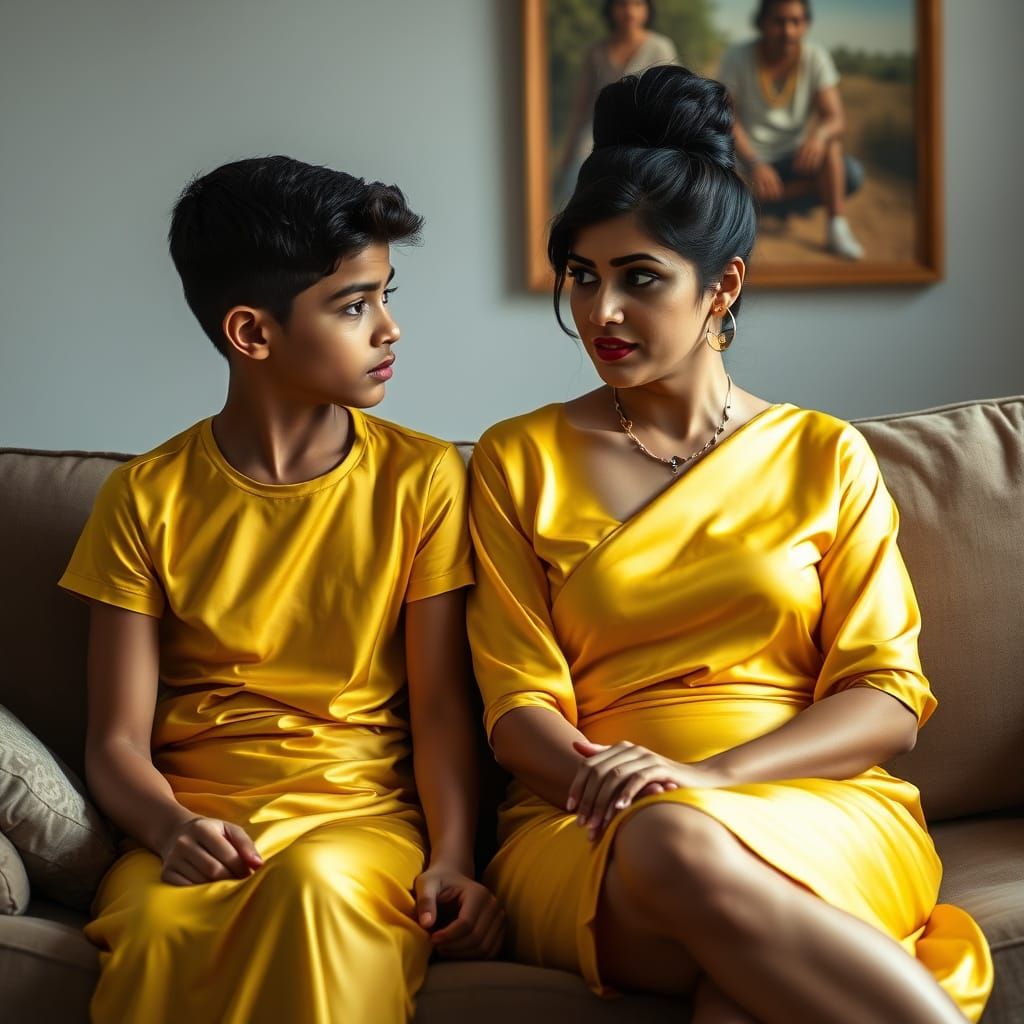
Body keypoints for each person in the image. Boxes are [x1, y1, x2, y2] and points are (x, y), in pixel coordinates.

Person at [467, 66, 992, 1023]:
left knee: (736, 980)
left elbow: (885, 697)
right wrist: (628, 787)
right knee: (673, 842)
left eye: (639, 278)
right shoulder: (519, 458)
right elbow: (516, 708)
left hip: (817, 803)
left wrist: (708, 779)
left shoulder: (823, 454)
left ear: (724, 286)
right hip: (590, 820)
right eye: (582, 276)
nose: (600, 312)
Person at [58, 156, 503, 1024]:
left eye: (386, 296)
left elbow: (442, 710)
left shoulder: (422, 481)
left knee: (315, 889)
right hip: (192, 830)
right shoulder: (144, 498)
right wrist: (171, 829)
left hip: (357, 824)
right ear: (252, 334)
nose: (391, 329)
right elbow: (114, 742)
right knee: (157, 929)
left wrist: (453, 858)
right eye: (354, 305)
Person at [717, 0, 866, 260]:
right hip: (748, 162)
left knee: (847, 168)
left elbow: (835, 118)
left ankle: (835, 227)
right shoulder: (738, 56)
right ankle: (763, 205)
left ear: (806, 24)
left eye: (796, 22)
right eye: (779, 21)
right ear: (763, 22)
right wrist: (755, 162)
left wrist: (818, 136)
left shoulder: (814, 57)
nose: (788, 31)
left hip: (793, 159)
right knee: (712, 180)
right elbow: (726, 118)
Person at [555, 0, 677, 205]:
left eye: (637, 4)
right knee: (578, 182)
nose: (629, 11)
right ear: (610, 8)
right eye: (622, 4)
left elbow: (671, 100)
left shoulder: (660, 47)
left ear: (647, 9)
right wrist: (568, 153)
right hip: (599, 131)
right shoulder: (595, 52)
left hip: (647, 133)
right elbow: (581, 107)